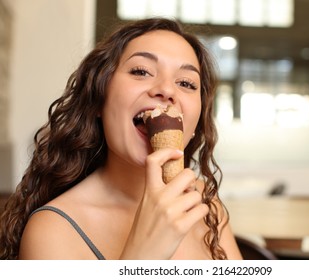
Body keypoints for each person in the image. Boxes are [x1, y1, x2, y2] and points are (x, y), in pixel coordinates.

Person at [0, 17, 242, 260]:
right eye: (141, 71)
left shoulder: (204, 204)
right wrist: (144, 254)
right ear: (98, 99)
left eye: (186, 83)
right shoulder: (51, 231)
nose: (167, 90)